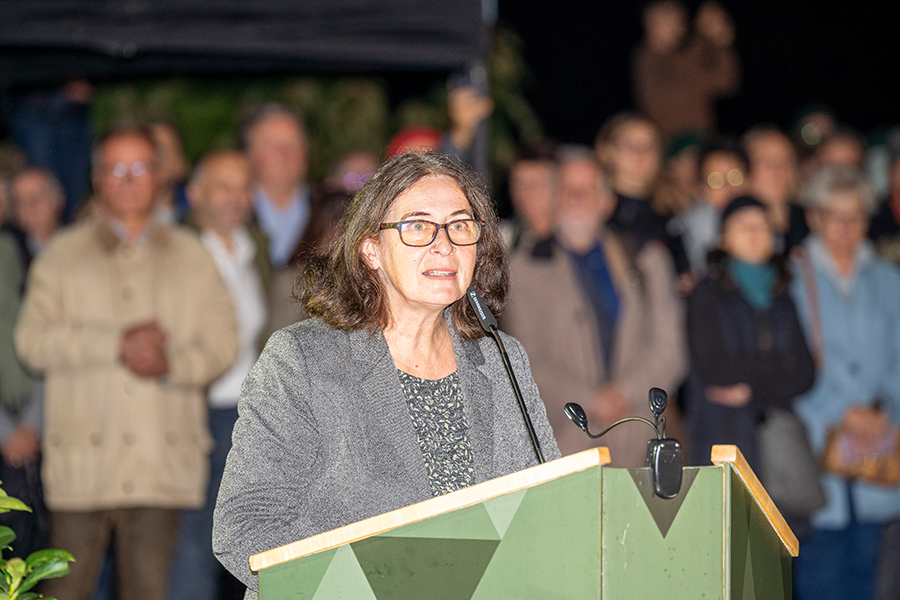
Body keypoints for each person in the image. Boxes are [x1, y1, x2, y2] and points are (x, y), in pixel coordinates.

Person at [212, 152, 561, 598]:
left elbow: (547, 506)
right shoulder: (302, 359)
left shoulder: (501, 358)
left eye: (460, 225)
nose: (445, 244)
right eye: (417, 226)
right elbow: (245, 526)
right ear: (370, 249)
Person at [14, 125, 239, 600]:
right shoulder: (63, 254)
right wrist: (114, 345)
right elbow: (32, 342)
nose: (129, 179)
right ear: (97, 177)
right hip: (81, 463)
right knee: (65, 591)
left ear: (159, 174)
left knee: (149, 592)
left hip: (160, 461)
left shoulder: (190, 254)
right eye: (116, 168)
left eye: (140, 167)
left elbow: (223, 344)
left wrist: (170, 363)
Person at [504, 147, 686, 466]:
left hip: (643, 443)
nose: (576, 198)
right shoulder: (523, 270)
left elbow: (670, 346)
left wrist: (626, 393)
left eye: (587, 189)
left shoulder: (646, 260)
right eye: (567, 189)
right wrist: (590, 400)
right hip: (565, 448)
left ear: (607, 200)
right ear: (554, 198)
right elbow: (524, 359)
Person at [789, 167, 900, 600]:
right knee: (820, 573)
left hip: (877, 446)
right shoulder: (792, 277)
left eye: (855, 215)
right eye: (834, 215)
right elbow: (788, 361)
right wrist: (839, 409)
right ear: (814, 217)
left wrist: (884, 410)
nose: (845, 227)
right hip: (817, 444)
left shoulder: (888, 280)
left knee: (869, 571)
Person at [168, 150, 269, 600]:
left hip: (253, 418)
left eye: (243, 187)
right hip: (199, 414)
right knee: (195, 541)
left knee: (250, 541)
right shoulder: (175, 254)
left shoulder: (253, 249)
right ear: (194, 195)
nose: (235, 198)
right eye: (223, 186)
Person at [686, 196, 815, 471]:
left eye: (762, 225)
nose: (754, 232)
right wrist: (780, 366)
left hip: (779, 440)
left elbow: (805, 372)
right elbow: (715, 368)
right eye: (743, 224)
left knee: (782, 514)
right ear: (722, 238)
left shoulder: (783, 294)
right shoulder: (706, 294)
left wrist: (752, 391)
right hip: (721, 434)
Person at [633, 0, 739, 139]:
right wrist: (705, 37)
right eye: (668, 15)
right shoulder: (644, 58)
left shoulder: (692, 52)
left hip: (701, 139)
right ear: (648, 19)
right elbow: (663, 98)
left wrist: (720, 43)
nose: (677, 23)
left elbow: (725, 84)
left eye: (681, 17)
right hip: (666, 143)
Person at [242, 103, 313, 270]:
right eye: (271, 145)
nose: (285, 154)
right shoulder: (236, 214)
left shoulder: (332, 212)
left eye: (293, 143)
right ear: (248, 154)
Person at [668, 137, 749, 275]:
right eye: (715, 180)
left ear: (749, 180)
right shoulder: (681, 234)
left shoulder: (764, 223)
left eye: (735, 177)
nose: (727, 187)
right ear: (701, 189)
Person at [743, 126, 809, 253]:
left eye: (785, 161)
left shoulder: (811, 221)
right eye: (766, 161)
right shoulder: (736, 225)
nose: (777, 169)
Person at [501, 140, 557, 251]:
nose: (527, 192)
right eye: (520, 184)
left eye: (536, 183)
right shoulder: (502, 238)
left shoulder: (577, 241)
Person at [8, 167, 65, 261]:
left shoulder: (79, 240)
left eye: (36, 197)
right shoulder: (9, 250)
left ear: (58, 199)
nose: (30, 206)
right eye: (22, 201)